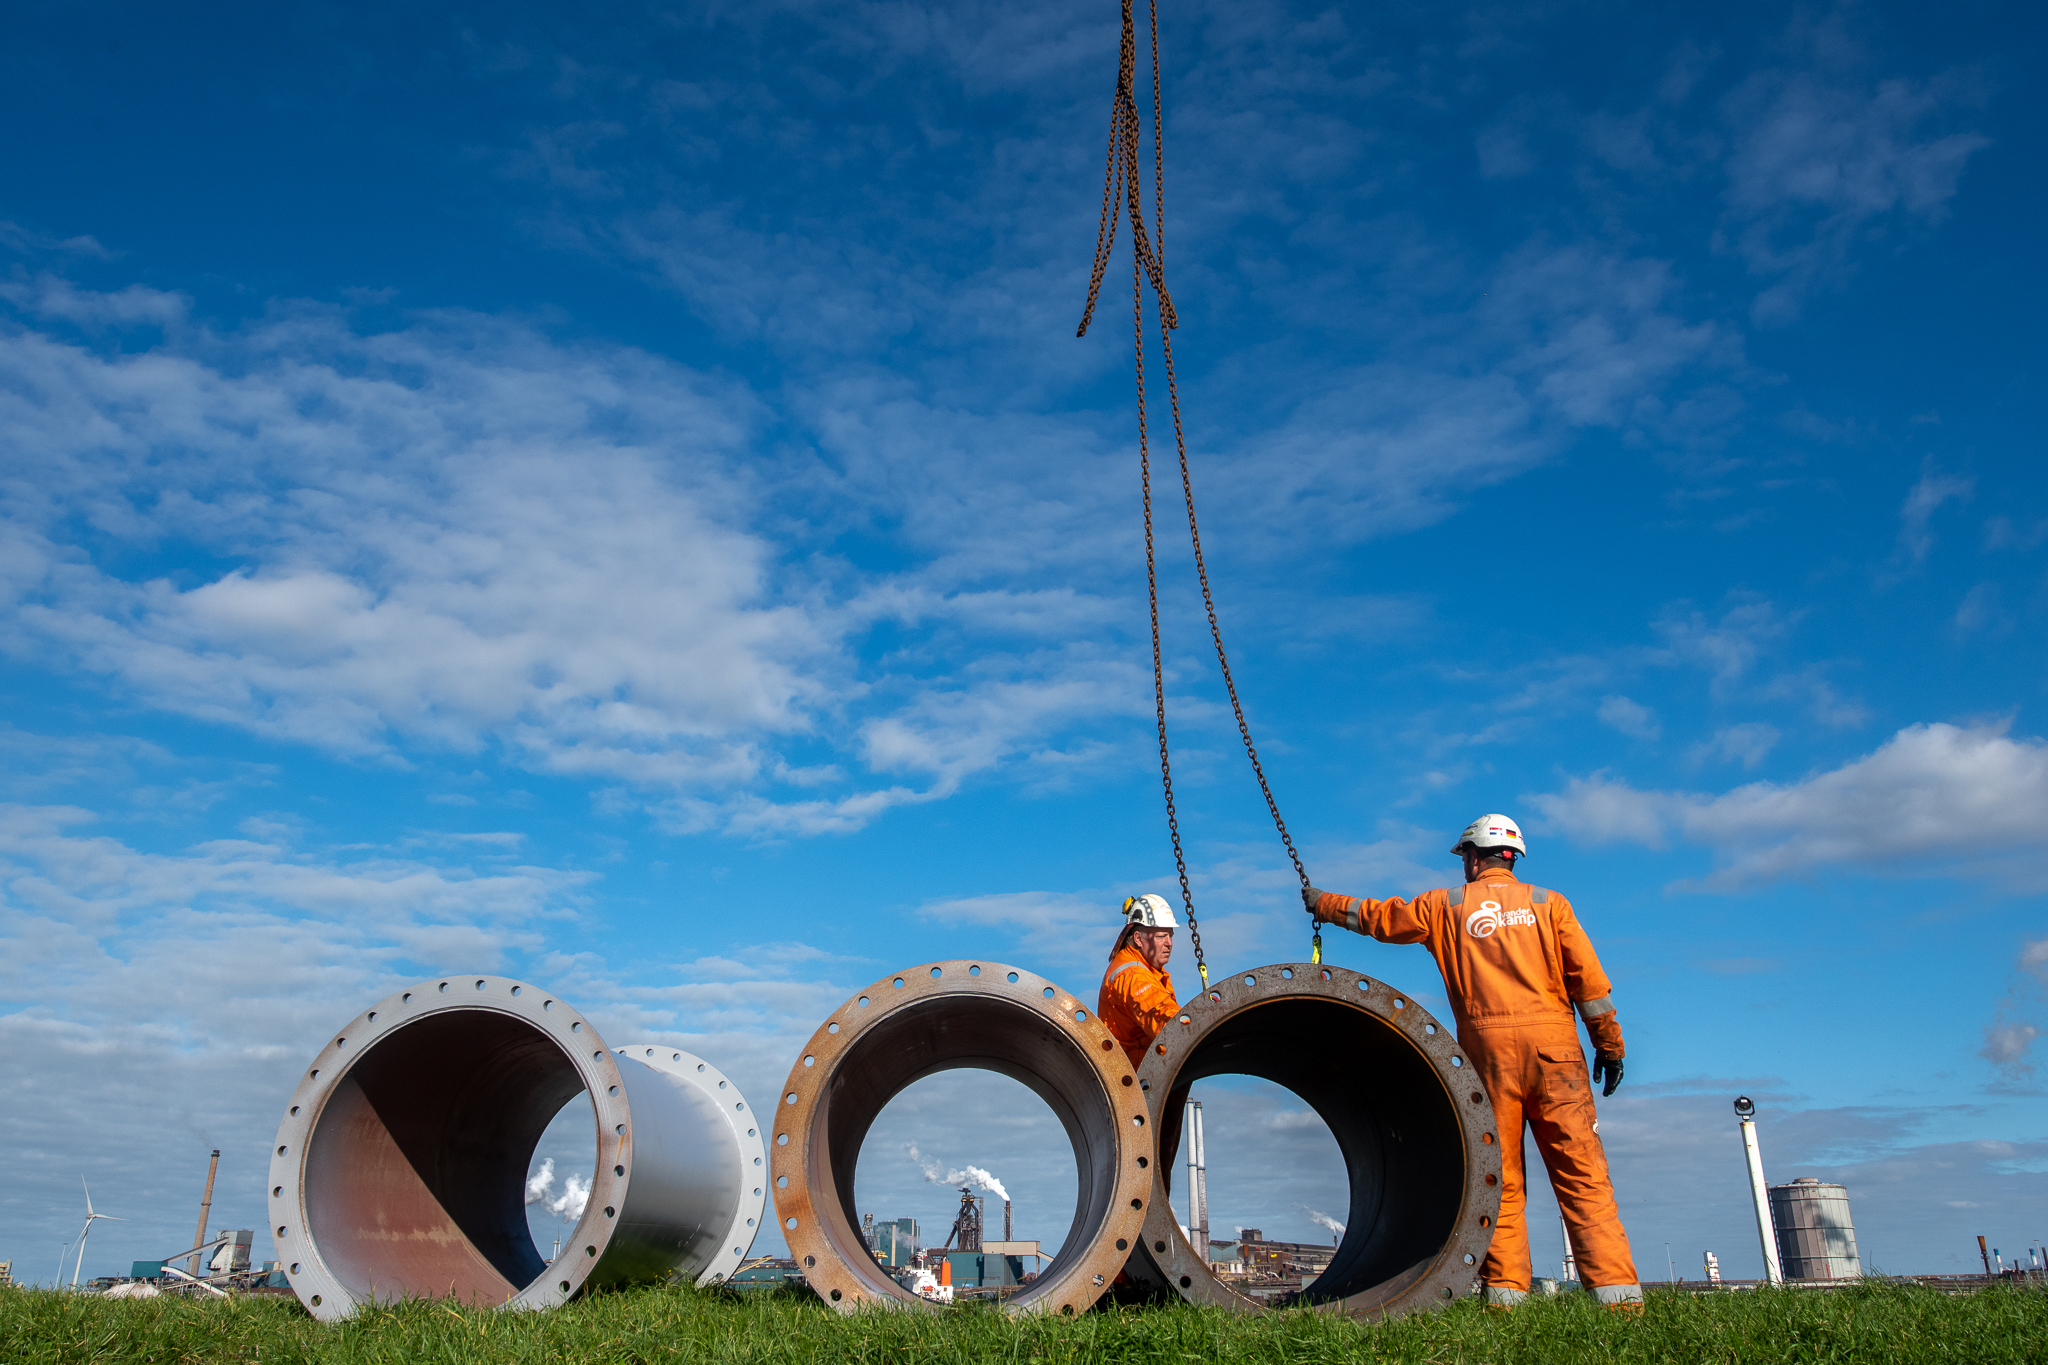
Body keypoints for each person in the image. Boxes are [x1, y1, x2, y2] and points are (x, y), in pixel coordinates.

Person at [1303, 814, 1642, 1309]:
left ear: (1473, 856)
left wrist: (1324, 905)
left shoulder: (1447, 905)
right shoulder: (1550, 906)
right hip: (1557, 1055)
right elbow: (1590, 988)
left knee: (1499, 1178)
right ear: (1512, 857)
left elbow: (1379, 918)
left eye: (1464, 856)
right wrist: (1609, 1046)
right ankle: (1617, 1297)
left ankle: (1506, 1296)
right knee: (1583, 1174)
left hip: (1488, 1058)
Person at [1098, 894, 1180, 1066]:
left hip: (1143, 1077)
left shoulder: (1146, 969)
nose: (1169, 943)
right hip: (1135, 1081)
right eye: (1161, 936)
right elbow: (1170, 1028)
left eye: (1170, 935)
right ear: (1138, 939)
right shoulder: (1134, 976)